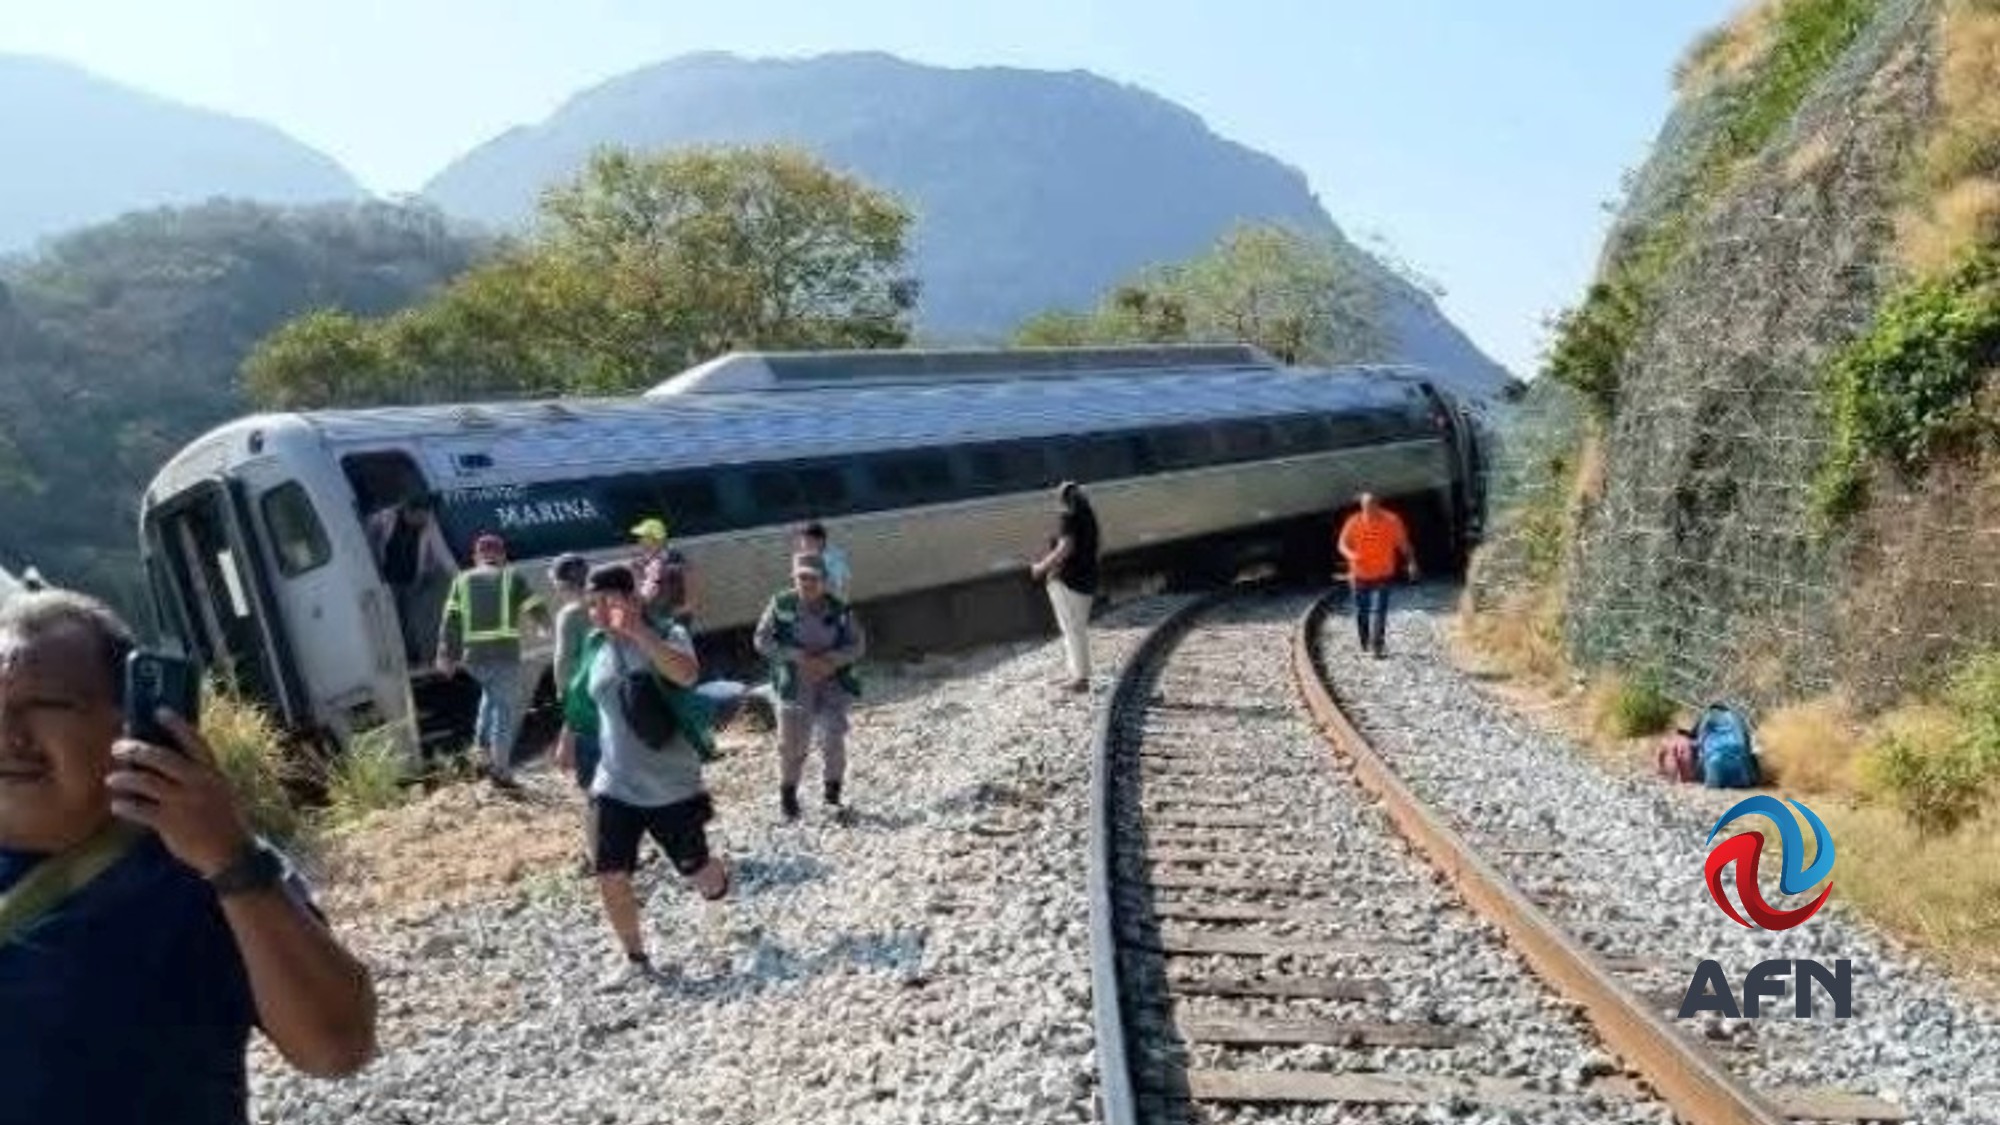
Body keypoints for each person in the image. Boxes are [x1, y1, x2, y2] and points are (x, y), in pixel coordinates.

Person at [0, 591, 377, 1124]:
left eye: (44, 705)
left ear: (129, 720)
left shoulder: (197, 867)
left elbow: (337, 1047)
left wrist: (232, 861)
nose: (8, 735)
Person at [570, 564, 729, 986]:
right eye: (592, 604)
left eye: (609, 601)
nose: (600, 612)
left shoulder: (667, 634)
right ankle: (636, 959)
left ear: (633, 600)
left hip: (672, 785)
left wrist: (639, 632)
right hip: (614, 784)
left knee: (696, 870)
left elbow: (687, 674)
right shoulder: (594, 646)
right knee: (609, 871)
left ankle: (717, 891)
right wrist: (567, 734)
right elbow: (584, 695)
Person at [753, 554, 866, 823]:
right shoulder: (781, 604)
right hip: (794, 681)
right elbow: (761, 640)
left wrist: (832, 660)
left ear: (824, 581)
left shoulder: (840, 609)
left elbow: (857, 645)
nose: (807, 582)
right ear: (794, 578)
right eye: (801, 577)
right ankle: (789, 799)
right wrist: (795, 656)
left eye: (813, 577)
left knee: (833, 737)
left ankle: (832, 796)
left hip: (831, 681)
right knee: (792, 743)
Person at [436, 533, 549, 789]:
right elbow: (536, 605)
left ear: (477, 557)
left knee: (488, 701)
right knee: (505, 712)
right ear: (502, 555)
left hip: (473, 659)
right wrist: (545, 627)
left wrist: (446, 656)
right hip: (504, 655)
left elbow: (450, 621)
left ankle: (479, 754)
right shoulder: (512, 576)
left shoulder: (461, 580)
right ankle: (500, 770)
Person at [364, 494, 457, 666]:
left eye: (426, 516)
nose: (423, 521)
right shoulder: (384, 519)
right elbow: (368, 538)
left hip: (412, 579)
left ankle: (415, 656)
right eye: (420, 516)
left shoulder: (427, 522)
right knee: (393, 619)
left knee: (412, 620)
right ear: (409, 511)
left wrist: (457, 576)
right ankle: (400, 658)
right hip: (388, 578)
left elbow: (441, 551)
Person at [547, 554, 598, 868]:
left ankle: (597, 856)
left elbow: (564, 670)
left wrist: (568, 720)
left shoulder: (571, 614)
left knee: (594, 786)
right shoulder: (607, 606)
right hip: (618, 702)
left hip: (587, 708)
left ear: (561, 583)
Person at [1029, 481, 1101, 692]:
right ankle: (1076, 675)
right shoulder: (1090, 518)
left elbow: (1065, 548)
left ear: (1064, 500)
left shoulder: (1068, 517)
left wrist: (1040, 567)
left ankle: (1080, 679)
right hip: (1087, 580)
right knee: (1074, 629)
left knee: (1073, 630)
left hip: (1068, 582)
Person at [1335, 492, 1418, 658]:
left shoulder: (1392, 520)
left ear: (1378, 505)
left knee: (1379, 610)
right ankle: (1365, 642)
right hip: (1359, 574)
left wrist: (1411, 562)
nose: (1369, 510)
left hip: (1383, 573)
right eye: (1365, 507)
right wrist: (1350, 555)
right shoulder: (1353, 521)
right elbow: (1342, 544)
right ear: (1362, 507)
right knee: (1361, 611)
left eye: (1372, 506)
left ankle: (1377, 645)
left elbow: (1403, 544)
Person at [630, 518, 696, 634]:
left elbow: (688, 578)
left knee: (677, 645)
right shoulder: (642, 560)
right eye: (640, 538)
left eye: (645, 538)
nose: (640, 541)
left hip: (675, 616)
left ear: (658, 540)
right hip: (653, 616)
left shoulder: (675, 557)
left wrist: (685, 608)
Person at [796, 521, 852, 600]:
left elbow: (837, 585)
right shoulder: (805, 557)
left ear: (820, 541)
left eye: (808, 541)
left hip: (832, 601)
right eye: (802, 541)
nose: (803, 545)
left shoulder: (835, 558)